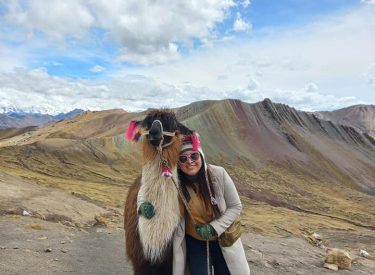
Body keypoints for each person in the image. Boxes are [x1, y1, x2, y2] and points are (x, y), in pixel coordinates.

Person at [172, 135, 250, 275]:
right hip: (195, 241)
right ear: (178, 163)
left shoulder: (218, 174)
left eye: (194, 156)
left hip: (221, 239)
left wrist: (214, 228)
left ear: (201, 156)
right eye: (183, 158)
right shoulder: (175, 185)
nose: (189, 161)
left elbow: (235, 206)